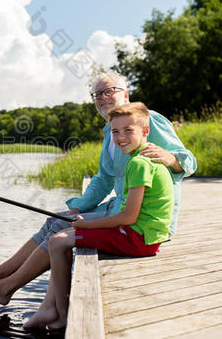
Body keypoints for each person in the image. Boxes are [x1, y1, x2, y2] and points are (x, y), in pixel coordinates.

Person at [0, 71, 196, 305]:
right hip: (122, 206)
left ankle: (5, 287)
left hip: (143, 220)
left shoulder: (147, 120)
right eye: (96, 94)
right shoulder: (110, 132)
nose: (102, 98)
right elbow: (104, 179)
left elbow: (190, 161)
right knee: (57, 220)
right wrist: (77, 207)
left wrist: (169, 157)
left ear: (125, 95)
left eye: (108, 91)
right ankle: (0, 273)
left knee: (61, 227)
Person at [25, 102, 174, 329]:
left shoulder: (139, 164)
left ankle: (61, 315)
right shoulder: (147, 158)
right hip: (145, 235)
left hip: (138, 238)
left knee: (57, 242)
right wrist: (87, 223)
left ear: (145, 131)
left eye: (128, 130)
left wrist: (89, 226)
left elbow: (128, 217)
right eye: (115, 131)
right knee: (66, 232)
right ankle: (53, 309)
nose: (120, 136)